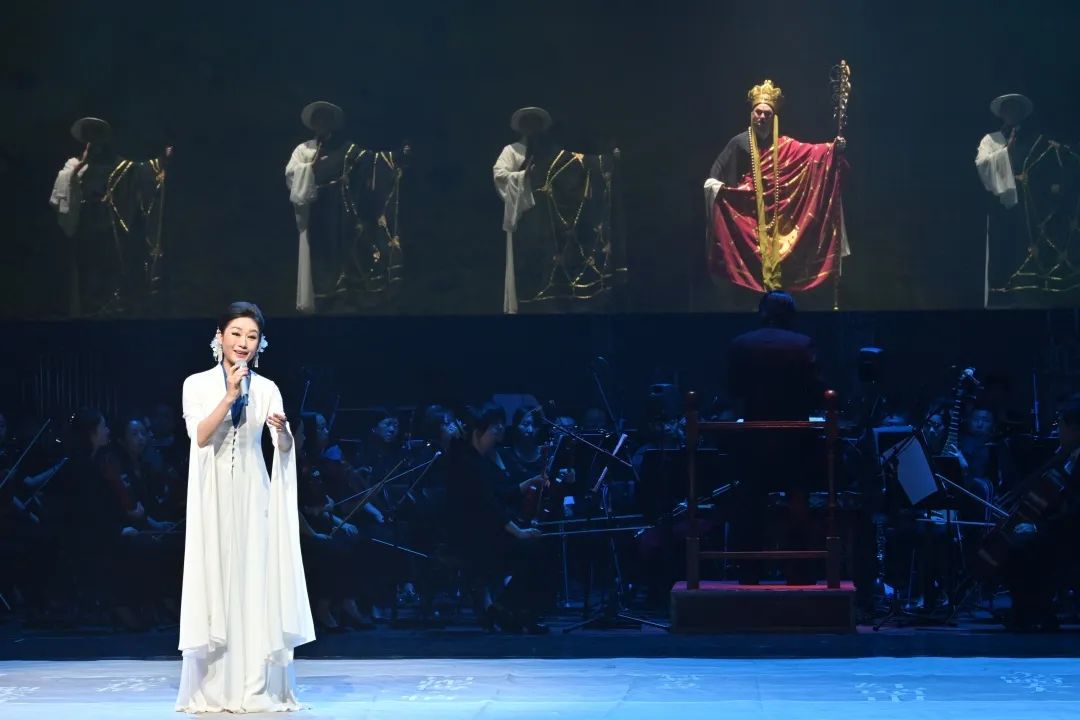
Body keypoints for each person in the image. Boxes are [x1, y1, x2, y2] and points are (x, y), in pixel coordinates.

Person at [175, 302, 314, 713]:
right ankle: (214, 687)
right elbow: (200, 436)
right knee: (216, 579)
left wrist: (284, 434)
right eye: (236, 333)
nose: (243, 343)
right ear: (220, 336)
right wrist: (230, 395)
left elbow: (282, 448)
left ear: (260, 344)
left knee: (255, 581)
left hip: (254, 494)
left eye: (252, 336)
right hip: (213, 495)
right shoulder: (196, 384)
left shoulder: (268, 388)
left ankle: (257, 684)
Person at [704, 80, 849, 300]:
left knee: (785, 270)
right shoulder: (739, 142)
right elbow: (714, 177)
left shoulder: (784, 145)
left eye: (767, 114)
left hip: (780, 220)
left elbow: (811, 153)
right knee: (749, 284)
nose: (762, 117)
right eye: (758, 112)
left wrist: (833, 148)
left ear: (774, 118)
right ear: (751, 114)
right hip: (748, 219)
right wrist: (725, 192)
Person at [726, 291, 823, 584]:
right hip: (795, 437)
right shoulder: (803, 344)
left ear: (762, 312)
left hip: (754, 436)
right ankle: (798, 569)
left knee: (751, 502)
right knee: (798, 499)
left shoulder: (741, 344)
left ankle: (749, 570)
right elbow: (816, 390)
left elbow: (733, 389)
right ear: (790, 315)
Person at [493, 107, 624, 313]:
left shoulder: (548, 149)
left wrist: (604, 161)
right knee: (528, 256)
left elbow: (570, 165)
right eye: (528, 123)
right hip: (525, 210)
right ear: (521, 127)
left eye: (536, 123)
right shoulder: (512, 150)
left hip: (549, 214)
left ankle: (560, 298)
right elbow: (500, 175)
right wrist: (524, 176)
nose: (532, 127)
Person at [285, 101, 405, 314]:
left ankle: (347, 297)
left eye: (327, 118)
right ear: (313, 123)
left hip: (341, 208)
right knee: (321, 253)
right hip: (316, 210)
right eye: (319, 118)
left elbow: (371, 161)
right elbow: (291, 175)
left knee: (346, 247)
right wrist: (309, 168)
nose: (322, 122)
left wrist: (394, 156)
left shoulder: (345, 148)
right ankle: (323, 298)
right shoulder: (303, 150)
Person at [49, 117, 171, 317]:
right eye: (89, 134)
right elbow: (66, 192)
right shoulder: (74, 165)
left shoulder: (116, 164)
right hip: (85, 226)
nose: (93, 139)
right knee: (87, 274)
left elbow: (139, 170)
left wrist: (160, 160)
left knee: (109, 272)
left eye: (96, 133)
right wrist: (82, 165)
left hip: (109, 227)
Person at [977, 93, 1080, 307]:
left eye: (1016, 108)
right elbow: (982, 164)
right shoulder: (991, 139)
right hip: (1001, 202)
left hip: (1030, 202)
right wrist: (1005, 152)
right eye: (1008, 108)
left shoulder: (1035, 138)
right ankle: (1003, 291)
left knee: (1028, 242)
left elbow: (1045, 165)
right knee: (1003, 242)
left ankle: (1032, 291)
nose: (1012, 113)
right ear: (1001, 113)